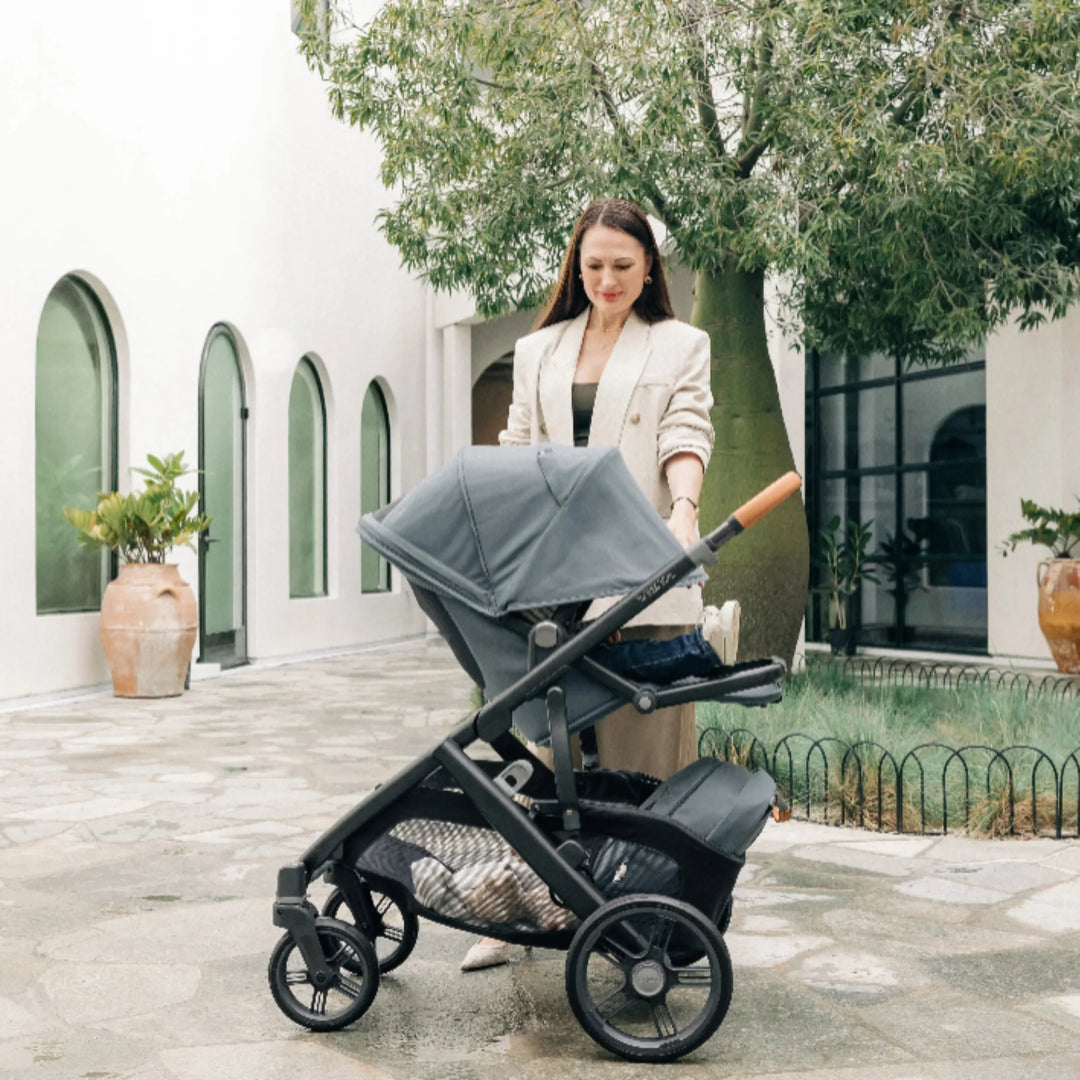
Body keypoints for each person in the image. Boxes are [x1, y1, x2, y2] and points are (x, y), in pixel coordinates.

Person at [461, 197, 736, 971]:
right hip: (555, 579)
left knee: (644, 756)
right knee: (546, 755)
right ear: (574, 268)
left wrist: (684, 511)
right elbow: (519, 447)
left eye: (623, 264)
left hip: (644, 571)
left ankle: (652, 922)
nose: (608, 279)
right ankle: (521, 913)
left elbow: (688, 429)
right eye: (594, 266)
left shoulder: (681, 345)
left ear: (649, 265)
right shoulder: (538, 349)